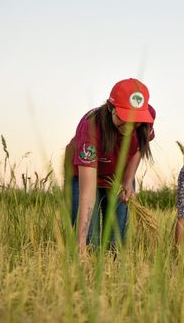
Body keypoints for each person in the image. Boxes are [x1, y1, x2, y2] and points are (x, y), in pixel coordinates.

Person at [65, 78, 155, 255]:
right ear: (110, 107)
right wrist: (81, 245)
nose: (130, 125)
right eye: (124, 118)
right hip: (85, 178)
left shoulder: (147, 118)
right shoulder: (90, 128)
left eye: (135, 120)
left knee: (115, 243)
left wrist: (128, 180)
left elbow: (139, 147)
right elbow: (88, 193)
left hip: (118, 178)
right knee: (89, 240)